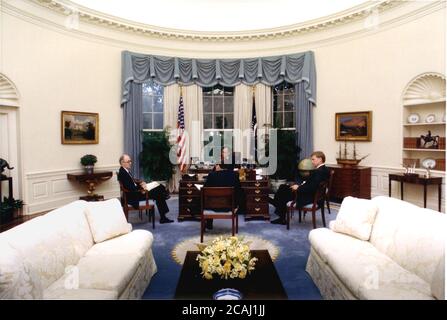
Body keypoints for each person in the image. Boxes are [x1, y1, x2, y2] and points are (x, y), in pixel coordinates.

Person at [269, 151, 330, 225]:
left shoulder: (318, 172)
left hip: (308, 197)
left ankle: (281, 215)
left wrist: (298, 188)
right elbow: (313, 184)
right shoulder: (325, 169)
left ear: (320, 159)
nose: (311, 161)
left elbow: (311, 187)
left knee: (283, 190)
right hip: (314, 196)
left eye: (313, 159)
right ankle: (278, 207)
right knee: (284, 188)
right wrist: (301, 185)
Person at [118, 154, 173, 223]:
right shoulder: (123, 173)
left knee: (158, 186)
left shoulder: (124, 170)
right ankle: (163, 212)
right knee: (159, 191)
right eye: (128, 161)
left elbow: (131, 183)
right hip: (135, 196)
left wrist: (141, 184)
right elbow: (130, 188)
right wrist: (141, 188)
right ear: (122, 162)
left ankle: (164, 198)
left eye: (130, 161)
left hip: (136, 192)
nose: (130, 163)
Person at [203, 156, 243, 230]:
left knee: (205, 197)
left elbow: (205, 190)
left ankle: (208, 223)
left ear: (219, 165)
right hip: (230, 207)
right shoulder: (234, 175)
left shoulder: (212, 175)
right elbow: (239, 192)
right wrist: (237, 206)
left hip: (212, 207)